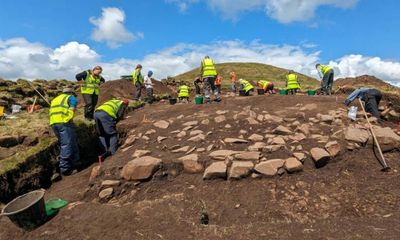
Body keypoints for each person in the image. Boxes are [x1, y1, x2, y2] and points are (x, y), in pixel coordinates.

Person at [49, 88, 80, 176]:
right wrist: (69, 118)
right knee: (67, 145)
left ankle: (76, 162)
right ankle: (65, 169)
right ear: (71, 93)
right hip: (64, 122)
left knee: (71, 142)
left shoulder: (55, 99)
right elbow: (72, 109)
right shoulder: (71, 98)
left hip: (54, 123)